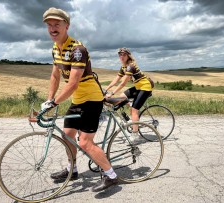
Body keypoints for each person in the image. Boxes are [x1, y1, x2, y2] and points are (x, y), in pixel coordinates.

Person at [41, 7, 118, 192]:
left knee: (85, 142)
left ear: (66, 26)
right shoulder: (55, 48)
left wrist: (54, 103)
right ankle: (72, 169)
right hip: (78, 100)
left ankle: (110, 175)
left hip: (92, 99)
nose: (52, 29)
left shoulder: (77, 50)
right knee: (67, 135)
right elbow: (55, 76)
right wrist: (49, 98)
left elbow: (73, 82)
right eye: (49, 25)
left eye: (57, 25)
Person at [105, 47, 154, 141]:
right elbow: (116, 80)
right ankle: (133, 115)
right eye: (120, 54)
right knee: (121, 97)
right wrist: (106, 89)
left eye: (124, 54)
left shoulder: (130, 66)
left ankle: (135, 134)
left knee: (134, 110)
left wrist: (112, 93)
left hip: (145, 87)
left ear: (128, 56)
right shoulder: (123, 67)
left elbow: (123, 83)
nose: (121, 56)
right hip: (138, 87)